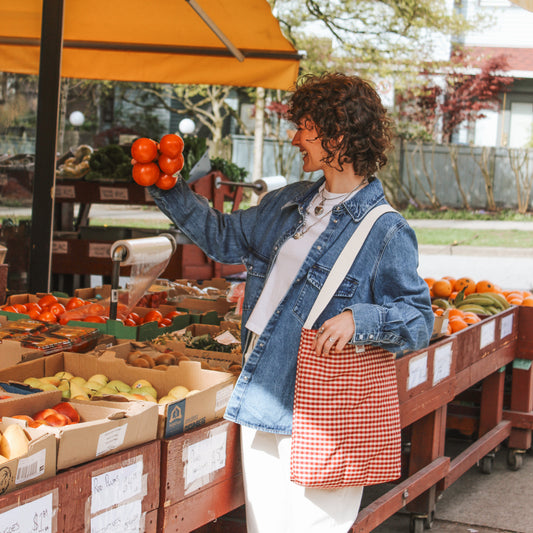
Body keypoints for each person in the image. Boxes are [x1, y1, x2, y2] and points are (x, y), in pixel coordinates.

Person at [148, 72, 434, 533]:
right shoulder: (288, 203)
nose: (294, 137)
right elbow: (224, 238)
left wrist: (359, 319)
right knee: (266, 525)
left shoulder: (386, 230)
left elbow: (420, 319)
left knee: (314, 526)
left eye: (305, 126)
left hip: (324, 405)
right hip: (262, 385)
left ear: (337, 135)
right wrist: (170, 190)